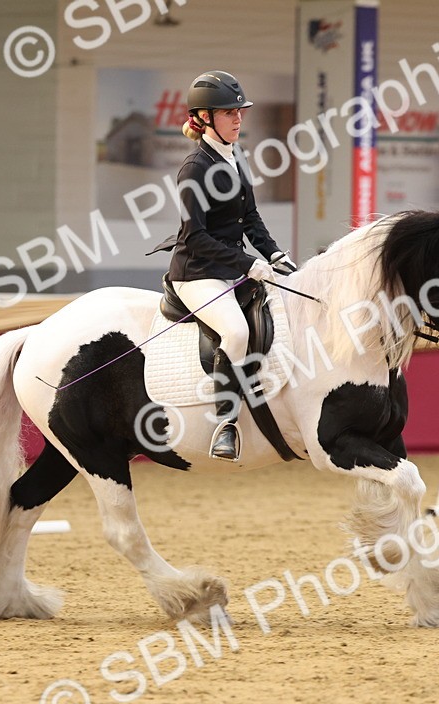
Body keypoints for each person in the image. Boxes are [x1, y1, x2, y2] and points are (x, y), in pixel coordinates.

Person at [149, 70, 293, 461]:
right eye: (229, 113)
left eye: (240, 112)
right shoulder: (194, 168)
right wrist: (249, 263)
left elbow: (251, 219)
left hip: (231, 267)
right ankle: (225, 424)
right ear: (204, 118)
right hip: (196, 272)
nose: (238, 119)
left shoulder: (236, 156)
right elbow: (194, 236)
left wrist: (276, 255)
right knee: (235, 329)